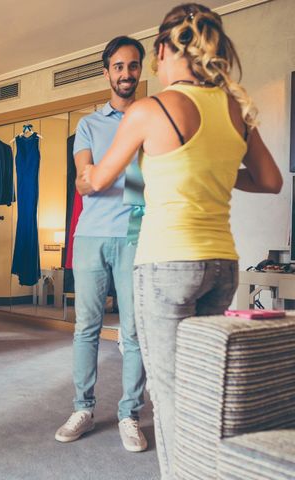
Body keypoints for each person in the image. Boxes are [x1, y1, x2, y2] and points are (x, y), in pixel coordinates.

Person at [82, 4, 282, 478]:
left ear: (165, 49)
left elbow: (101, 179)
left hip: (167, 263)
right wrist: (208, 170)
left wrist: (86, 175)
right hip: (222, 264)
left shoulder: (151, 108)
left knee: (169, 395)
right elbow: (269, 180)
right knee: (206, 385)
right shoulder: (235, 108)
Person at [55, 36, 148, 452]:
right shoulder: (89, 124)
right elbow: (84, 180)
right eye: (118, 66)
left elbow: (143, 182)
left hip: (136, 233)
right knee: (86, 329)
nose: (125, 73)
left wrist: (103, 177)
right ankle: (83, 408)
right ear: (107, 71)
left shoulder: (152, 119)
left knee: (132, 331)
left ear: (140, 70)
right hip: (90, 235)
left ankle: (130, 413)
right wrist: (100, 177)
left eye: (132, 66)